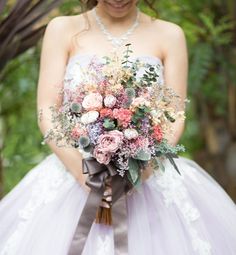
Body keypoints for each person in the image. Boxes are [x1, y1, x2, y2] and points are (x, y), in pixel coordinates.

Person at [0, 0, 236, 254]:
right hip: (73, 172)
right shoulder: (61, 29)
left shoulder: (170, 35)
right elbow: (46, 110)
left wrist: (137, 172)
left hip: (147, 175)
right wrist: (86, 177)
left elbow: (175, 114)